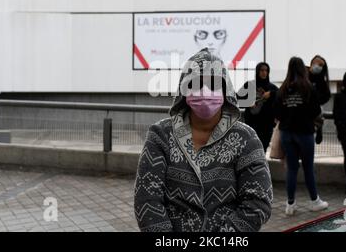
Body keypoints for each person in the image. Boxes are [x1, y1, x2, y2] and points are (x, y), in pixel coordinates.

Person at [134, 48, 272, 232]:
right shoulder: (161, 135)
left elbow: (257, 202)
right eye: (196, 83)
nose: (205, 90)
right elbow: (147, 200)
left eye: (213, 83)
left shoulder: (246, 139)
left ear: (225, 90)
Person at [274, 57, 328, 216]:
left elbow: (276, 112)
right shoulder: (308, 87)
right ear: (302, 69)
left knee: (291, 168)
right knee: (308, 167)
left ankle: (290, 205)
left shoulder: (282, 89)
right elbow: (316, 110)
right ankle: (314, 201)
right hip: (304, 132)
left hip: (286, 133)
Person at [237, 62, 279, 153]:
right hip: (252, 124)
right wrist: (248, 103)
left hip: (267, 125)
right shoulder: (249, 85)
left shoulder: (272, 88)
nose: (264, 72)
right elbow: (236, 99)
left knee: (262, 149)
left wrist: (272, 93)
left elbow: (282, 97)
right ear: (257, 71)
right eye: (262, 70)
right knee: (251, 149)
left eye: (266, 70)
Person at [308, 55, 331, 144]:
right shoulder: (303, 77)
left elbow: (327, 96)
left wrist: (316, 102)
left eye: (321, 65)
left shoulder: (322, 81)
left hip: (315, 109)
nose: (318, 66)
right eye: (316, 63)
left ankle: (319, 129)